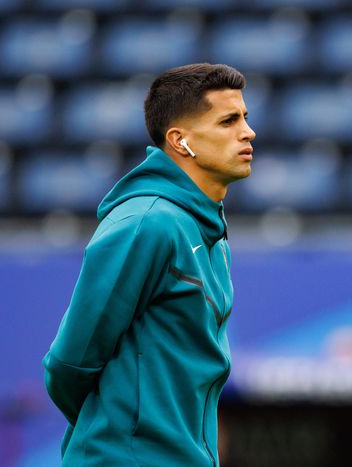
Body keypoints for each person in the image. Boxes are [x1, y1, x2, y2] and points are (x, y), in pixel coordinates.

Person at [42, 63, 255, 466]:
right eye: (228, 121)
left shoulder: (208, 232)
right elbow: (69, 364)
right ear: (180, 141)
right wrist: (118, 438)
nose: (248, 132)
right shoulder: (146, 224)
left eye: (244, 117)